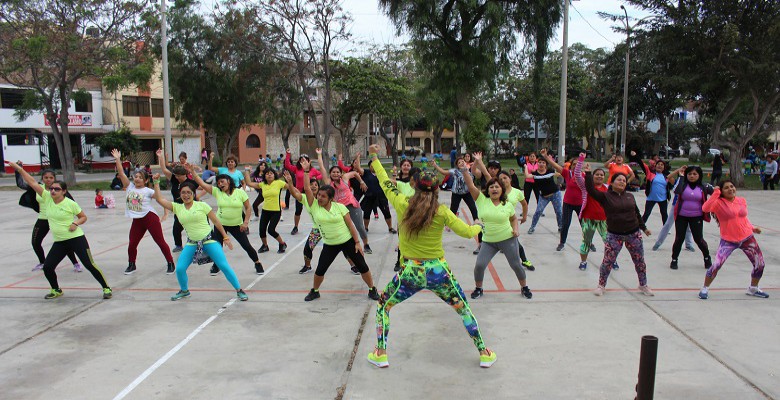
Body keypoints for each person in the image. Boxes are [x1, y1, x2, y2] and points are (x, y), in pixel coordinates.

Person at [365, 144, 497, 369]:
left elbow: (385, 181)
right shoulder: (442, 211)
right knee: (463, 308)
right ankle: (485, 353)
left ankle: (381, 353)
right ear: (437, 189)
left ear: (414, 185)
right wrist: (477, 225)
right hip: (438, 271)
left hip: (411, 272)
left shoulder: (402, 203)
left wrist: (374, 156)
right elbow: (466, 232)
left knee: (383, 305)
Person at [6, 161, 112, 300]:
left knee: (89, 264)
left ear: (64, 191)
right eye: (52, 189)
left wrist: (75, 223)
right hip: (60, 241)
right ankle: (56, 290)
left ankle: (106, 287)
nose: (53, 191)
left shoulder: (70, 203)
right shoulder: (47, 198)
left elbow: (83, 217)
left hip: (76, 239)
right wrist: (19, 169)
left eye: (57, 189)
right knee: (48, 267)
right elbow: (32, 182)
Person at [151, 173, 248, 301]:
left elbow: (217, 222)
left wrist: (225, 237)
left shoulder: (202, 206)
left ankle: (239, 290)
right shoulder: (177, 207)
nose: (186, 195)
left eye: (189, 193)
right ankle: (184, 290)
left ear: (193, 194)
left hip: (209, 241)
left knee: (223, 265)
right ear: (180, 194)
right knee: (180, 269)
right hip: (192, 243)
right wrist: (156, 182)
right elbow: (160, 200)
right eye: (183, 192)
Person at [296, 159, 380, 302]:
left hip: (347, 241)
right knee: (320, 270)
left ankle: (372, 289)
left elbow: (351, 226)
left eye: (323, 196)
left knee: (363, 267)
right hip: (330, 244)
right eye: (319, 195)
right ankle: (315, 291)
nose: (320, 198)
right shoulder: (314, 205)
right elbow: (307, 189)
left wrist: (357, 243)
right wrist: (305, 171)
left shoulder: (340, 207)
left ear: (330, 198)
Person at [461, 161, 532, 300]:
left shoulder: (507, 204)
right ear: (487, 190)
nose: (494, 189)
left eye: (497, 187)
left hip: (507, 239)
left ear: (502, 190)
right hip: (488, 241)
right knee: (480, 265)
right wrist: (464, 170)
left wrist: (515, 230)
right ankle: (478, 288)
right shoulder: (481, 199)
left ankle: (524, 287)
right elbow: (470, 185)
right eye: (491, 187)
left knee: (516, 265)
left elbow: (513, 219)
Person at [584, 166, 653, 297]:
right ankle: (601, 285)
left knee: (640, 261)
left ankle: (643, 285)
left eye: (624, 180)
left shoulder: (630, 197)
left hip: (633, 234)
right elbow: (591, 190)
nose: (622, 182)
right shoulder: (605, 196)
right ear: (612, 182)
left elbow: (637, 213)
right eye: (619, 180)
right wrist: (588, 174)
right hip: (614, 235)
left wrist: (644, 228)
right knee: (608, 262)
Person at [187, 164, 264, 276]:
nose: (220, 184)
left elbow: (248, 208)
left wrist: (246, 222)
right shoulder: (217, 192)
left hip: (237, 225)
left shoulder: (240, 192)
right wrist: (193, 172)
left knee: (246, 246)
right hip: (220, 224)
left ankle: (257, 263)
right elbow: (201, 183)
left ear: (229, 181)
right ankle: (216, 265)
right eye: (218, 183)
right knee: (217, 247)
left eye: (222, 181)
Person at [698, 180, 769, 299]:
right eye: (726, 188)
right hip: (728, 240)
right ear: (721, 191)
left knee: (760, 264)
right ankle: (705, 288)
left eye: (732, 186)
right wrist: (715, 193)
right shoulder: (718, 203)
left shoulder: (741, 200)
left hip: (747, 238)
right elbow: (705, 208)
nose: (730, 189)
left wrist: (752, 228)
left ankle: (753, 288)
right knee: (716, 265)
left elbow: (743, 218)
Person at [113, 149, 175, 275]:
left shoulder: (148, 191)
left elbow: (160, 199)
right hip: (137, 220)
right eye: (136, 177)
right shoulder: (129, 187)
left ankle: (170, 263)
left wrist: (166, 213)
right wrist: (118, 159)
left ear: (146, 180)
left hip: (150, 218)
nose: (137, 179)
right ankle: (132, 264)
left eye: (140, 177)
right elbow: (121, 172)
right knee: (132, 244)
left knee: (160, 242)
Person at [12, 163, 81, 272]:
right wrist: (18, 170)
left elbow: (72, 204)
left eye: (51, 178)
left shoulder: (59, 189)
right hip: (43, 219)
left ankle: (76, 263)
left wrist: (72, 221)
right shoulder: (38, 188)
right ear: (42, 179)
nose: (48, 180)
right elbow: (21, 184)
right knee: (35, 242)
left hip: (57, 220)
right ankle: (42, 262)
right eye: (46, 177)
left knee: (64, 242)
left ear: (54, 179)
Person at [316, 148, 372, 253]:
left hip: (352, 206)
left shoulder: (345, 178)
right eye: (333, 172)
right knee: (345, 229)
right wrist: (319, 155)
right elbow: (322, 167)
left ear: (341, 173)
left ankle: (366, 244)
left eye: (337, 172)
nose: (335, 174)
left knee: (359, 226)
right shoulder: (328, 182)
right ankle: (350, 247)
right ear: (330, 173)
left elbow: (355, 173)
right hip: (339, 209)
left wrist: (362, 182)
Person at [572, 156, 616, 271]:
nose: (599, 176)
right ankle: (583, 262)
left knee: (609, 242)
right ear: (592, 176)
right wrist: (581, 160)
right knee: (586, 241)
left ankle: (612, 260)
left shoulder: (607, 188)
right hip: (588, 219)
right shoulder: (586, 187)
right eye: (597, 174)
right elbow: (577, 174)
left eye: (602, 175)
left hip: (604, 220)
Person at [666, 165, 713, 270]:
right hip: (681, 216)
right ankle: (674, 259)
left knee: (699, 239)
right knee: (679, 238)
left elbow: (716, 193)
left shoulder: (704, 186)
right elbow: (675, 187)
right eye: (690, 174)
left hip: (697, 217)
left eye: (695, 174)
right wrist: (680, 175)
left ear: (699, 175)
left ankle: (707, 258)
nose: (692, 176)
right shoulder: (682, 184)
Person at [539, 149, 584, 251]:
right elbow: (555, 166)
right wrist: (546, 157)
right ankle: (562, 243)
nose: (576, 166)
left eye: (578, 164)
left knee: (584, 225)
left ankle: (588, 242)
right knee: (565, 224)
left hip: (580, 204)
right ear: (571, 166)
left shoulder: (585, 176)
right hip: (568, 203)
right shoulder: (568, 173)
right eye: (574, 164)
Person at [158, 149, 199, 252]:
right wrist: (161, 156)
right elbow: (163, 169)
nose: (176, 177)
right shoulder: (174, 180)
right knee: (176, 228)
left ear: (184, 174)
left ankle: (199, 244)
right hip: (178, 208)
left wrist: (196, 198)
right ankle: (178, 245)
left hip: (191, 208)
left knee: (194, 227)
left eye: (178, 175)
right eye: (175, 175)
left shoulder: (191, 182)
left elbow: (204, 187)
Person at [243, 167, 288, 253]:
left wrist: (290, 181)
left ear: (274, 175)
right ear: (265, 176)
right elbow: (249, 183)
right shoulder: (262, 184)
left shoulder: (279, 183)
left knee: (271, 230)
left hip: (276, 211)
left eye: (271, 173)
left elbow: (291, 187)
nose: (269, 175)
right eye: (267, 174)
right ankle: (265, 246)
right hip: (265, 211)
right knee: (262, 230)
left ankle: (282, 243)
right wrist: (246, 171)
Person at [651, 174, 696, 252]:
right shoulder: (679, 180)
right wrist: (679, 172)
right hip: (676, 205)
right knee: (668, 224)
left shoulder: (693, 184)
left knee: (688, 226)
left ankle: (689, 244)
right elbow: (668, 177)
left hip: (687, 206)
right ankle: (658, 243)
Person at [284, 149, 323, 235]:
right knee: (298, 210)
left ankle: (320, 224)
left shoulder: (312, 170)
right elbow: (287, 165)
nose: (303, 161)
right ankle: (295, 226)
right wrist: (288, 154)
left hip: (311, 192)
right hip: (300, 192)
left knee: (316, 209)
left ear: (308, 161)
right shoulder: (296, 169)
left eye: (305, 160)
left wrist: (316, 178)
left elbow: (321, 174)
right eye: (301, 160)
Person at [354, 159, 396, 234]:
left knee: (386, 212)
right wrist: (358, 156)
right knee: (367, 213)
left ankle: (390, 228)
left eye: (375, 165)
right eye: (372, 165)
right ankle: (366, 228)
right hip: (369, 196)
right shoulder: (366, 172)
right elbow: (357, 167)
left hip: (381, 197)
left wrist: (394, 174)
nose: (373, 167)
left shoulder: (381, 174)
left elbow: (392, 182)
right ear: (369, 166)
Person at [527, 150, 563, 235]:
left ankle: (560, 227)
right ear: (537, 163)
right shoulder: (535, 173)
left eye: (543, 162)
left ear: (546, 165)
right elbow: (527, 176)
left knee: (559, 211)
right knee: (538, 211)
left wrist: (560, 183)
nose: (541, 164)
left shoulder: (550, 171)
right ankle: (532, 227)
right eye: (539, 162)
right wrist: (525, 167)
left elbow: (560, 173)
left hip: (555, 194)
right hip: (543, 196)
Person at [629, 151, 670, 224]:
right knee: (647, 213)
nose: (660, 166)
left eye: (661, 165)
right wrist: (635, 156)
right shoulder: (650, 173)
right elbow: (642, 164)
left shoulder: (666, 176)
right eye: (658, 164)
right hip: (651, 198)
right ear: (655, 166)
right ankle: (640, 226)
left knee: (664, 214)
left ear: (664, 167)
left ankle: (666, 228)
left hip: (663, 199)